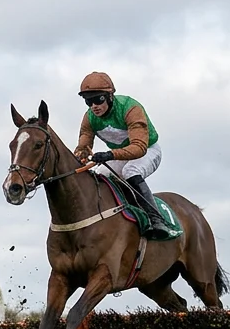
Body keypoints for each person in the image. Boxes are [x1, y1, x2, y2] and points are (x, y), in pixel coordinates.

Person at [73, 72, 172, 237]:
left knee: (130, 171)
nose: (94, 106)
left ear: (110, 96)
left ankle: (156, 219)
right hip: (120, 156)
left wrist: (109, 154)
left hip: (147, 150)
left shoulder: (130, 108)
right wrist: (79, 158)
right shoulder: (89, 118)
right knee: (101, 175)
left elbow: (139, 147)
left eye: (98, 100)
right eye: (89, 101)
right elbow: (83, 147)